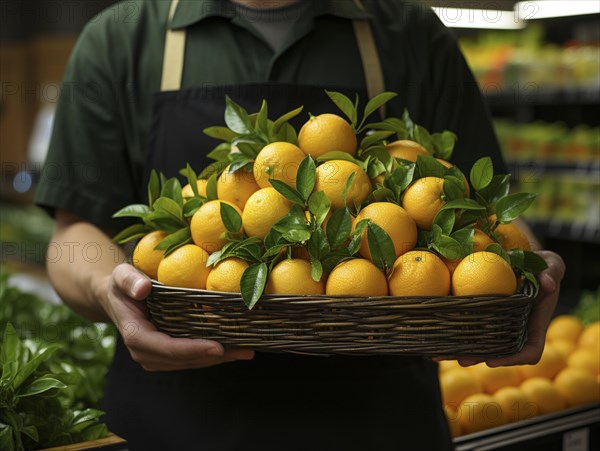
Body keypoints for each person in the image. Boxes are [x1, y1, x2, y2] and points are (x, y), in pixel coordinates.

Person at [36, 0, 565, 449]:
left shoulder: (411, 33)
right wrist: (110, 287)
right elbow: (70, 236)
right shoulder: (121, 39)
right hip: (177, 421)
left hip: (380, 424)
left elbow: (482, 213)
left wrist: (526, 273)